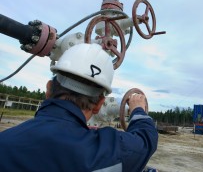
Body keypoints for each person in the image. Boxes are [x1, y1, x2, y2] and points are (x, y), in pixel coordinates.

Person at [0, 43, 158, 172]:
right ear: (98, 104)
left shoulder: (5, 142)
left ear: (48, 90)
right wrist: (138, 110)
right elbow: (145, 141)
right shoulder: (104, 154)